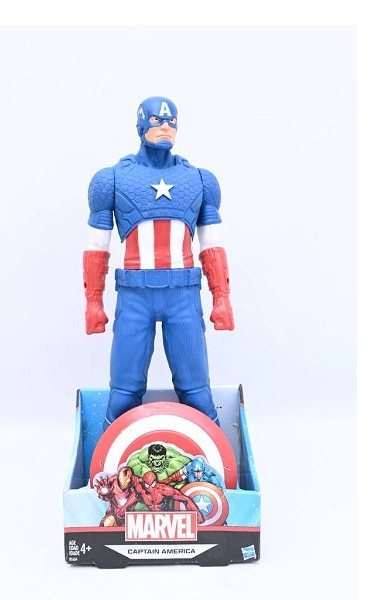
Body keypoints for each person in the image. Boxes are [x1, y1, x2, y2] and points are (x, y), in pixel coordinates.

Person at [83, 96, 234, 429]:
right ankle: (109, 459)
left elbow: (212, 245)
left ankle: (215, 458)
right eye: (156, 121)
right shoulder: (112, 179)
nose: (165, 127)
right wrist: (93, 301)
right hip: (134, 298)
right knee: (124, 392)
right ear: (140, 125)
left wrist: (221, 298)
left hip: (183, 296)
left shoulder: (199, 180)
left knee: (196, 391)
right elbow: (97, 247)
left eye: (171, 121)